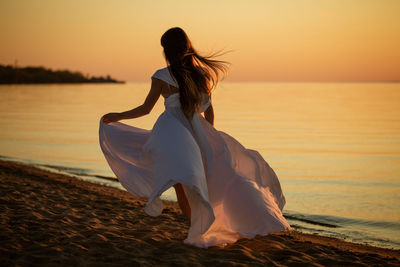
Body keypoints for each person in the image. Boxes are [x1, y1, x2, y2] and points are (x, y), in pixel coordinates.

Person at [99, 27, 291, 248]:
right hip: (196, 131)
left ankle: (197, 226)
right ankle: (206, 225)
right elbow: (209, 110)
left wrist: (118, 116)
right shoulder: (200, 74)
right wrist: (208, 134)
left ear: (166, 50)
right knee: (214, 177)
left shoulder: (161, 75)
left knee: (183, 184)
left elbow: (145, 109)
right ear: (187, 47)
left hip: (171, 133)